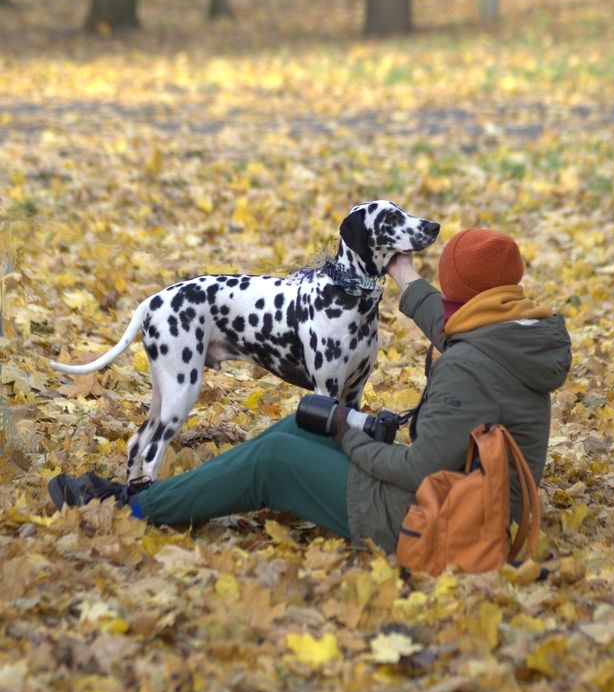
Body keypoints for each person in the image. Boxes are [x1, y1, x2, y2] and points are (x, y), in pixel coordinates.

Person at [48, 228, 572, 554]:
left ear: (464, 299)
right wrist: (401, 272)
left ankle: (131, 509)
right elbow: (444, 319)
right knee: (300, 423)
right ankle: (149, 494)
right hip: (479, 503)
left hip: (442, 522)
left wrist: (349, 433)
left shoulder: (467, 364)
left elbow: (418, 470)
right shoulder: (510, 332)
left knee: (276, 457)